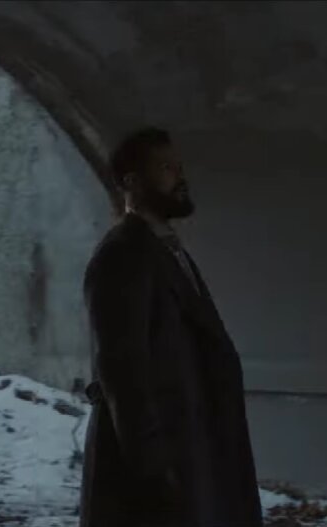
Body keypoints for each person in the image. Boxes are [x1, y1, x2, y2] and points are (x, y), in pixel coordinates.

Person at [79, 128, 263, 527]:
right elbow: (122, 371)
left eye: (179, 166)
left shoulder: (164, 249)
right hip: (160, 470)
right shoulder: (122, 254)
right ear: (132, 181)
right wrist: (155, 471)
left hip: (190, 456)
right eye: (165, 168)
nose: (180, 177)